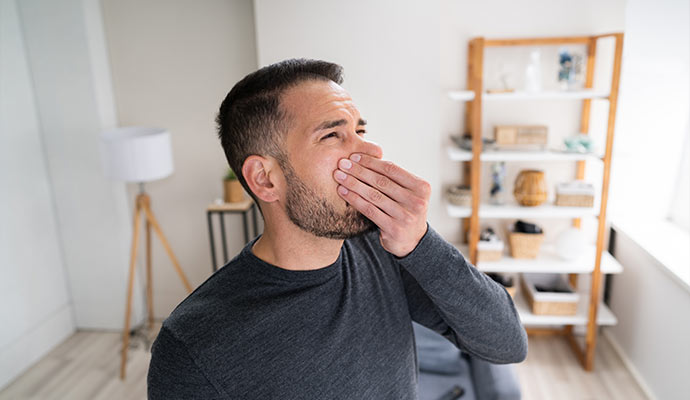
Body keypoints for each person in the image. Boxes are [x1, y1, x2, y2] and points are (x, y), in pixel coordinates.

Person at [147, 58, 527, 399]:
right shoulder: (193, 346)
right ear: (264, 179)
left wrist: (420, 243)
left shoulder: (383, 251)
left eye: (360, 131)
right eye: (332, 135)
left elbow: (507, 344)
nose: (370, 150)